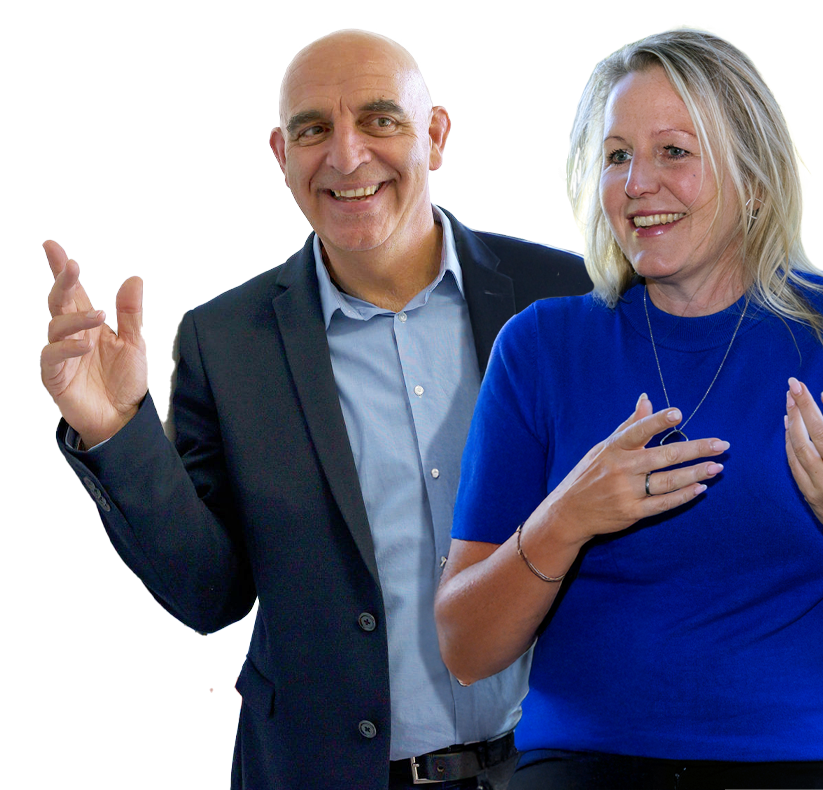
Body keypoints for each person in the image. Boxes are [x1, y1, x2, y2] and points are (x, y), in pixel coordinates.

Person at [40, 28, 592, 790]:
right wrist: (114, 428)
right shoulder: (225, 341)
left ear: (436, 136)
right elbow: (208, 594)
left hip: (557, 767)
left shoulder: (565, 295)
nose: (346, 155)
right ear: (281, 154)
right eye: (311, 131)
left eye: (379, 120)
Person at [435, 26, 823, 790]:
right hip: (588, 767)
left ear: (752, 176)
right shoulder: (540, 348)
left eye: (674, 152)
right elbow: (465, 649)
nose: (637, 183)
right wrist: (567, 517)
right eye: (616, 156)